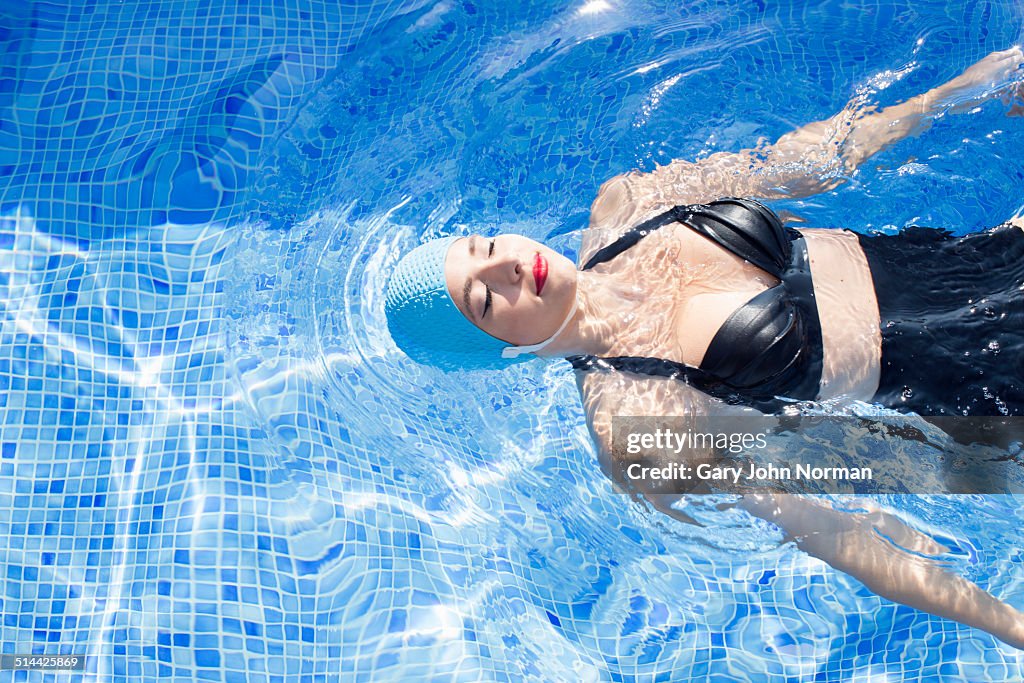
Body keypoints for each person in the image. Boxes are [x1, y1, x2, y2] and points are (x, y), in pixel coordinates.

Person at [384, 47, 1024, 647]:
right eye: (485, 299)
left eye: (488, 247)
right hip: (987, 379)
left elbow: (827, 153)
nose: (511, 267)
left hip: (988, 257)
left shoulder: (631, 203)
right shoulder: (635, 423)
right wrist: (1010, 624)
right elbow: (835, 528)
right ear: (500, 349)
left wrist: (970, 87)